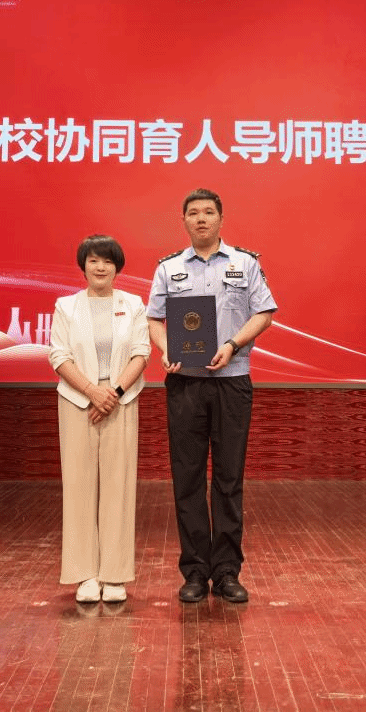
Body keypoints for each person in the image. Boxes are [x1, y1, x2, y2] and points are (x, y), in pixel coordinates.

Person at [147, 189, 277, 603]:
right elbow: (154, 319)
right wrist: (165, 350)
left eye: (208, 212)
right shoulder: (168, 268)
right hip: (185, 382)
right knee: (187, 478)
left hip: (231, 381)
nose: (201, 218)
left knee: (228, 478)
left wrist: (233, 345)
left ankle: (226, 572)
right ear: (184, 221)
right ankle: (195, 571)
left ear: (221, 218)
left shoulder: (245, 263)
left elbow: (264, 312)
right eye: (193, 213)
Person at [48, 235, 152, 603]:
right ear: (84, 266)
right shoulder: (66, 306)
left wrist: (114, 393)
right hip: (77, 401)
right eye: (93, 260)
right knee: (78, 487)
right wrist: (93, 392)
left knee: (118, 488)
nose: (100, 267)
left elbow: (141, 353)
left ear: (117, 266)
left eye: (107, 261)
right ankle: (85, 576)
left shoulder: (133, 304)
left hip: (121, 401)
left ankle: (114, 575)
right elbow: (59, 356)